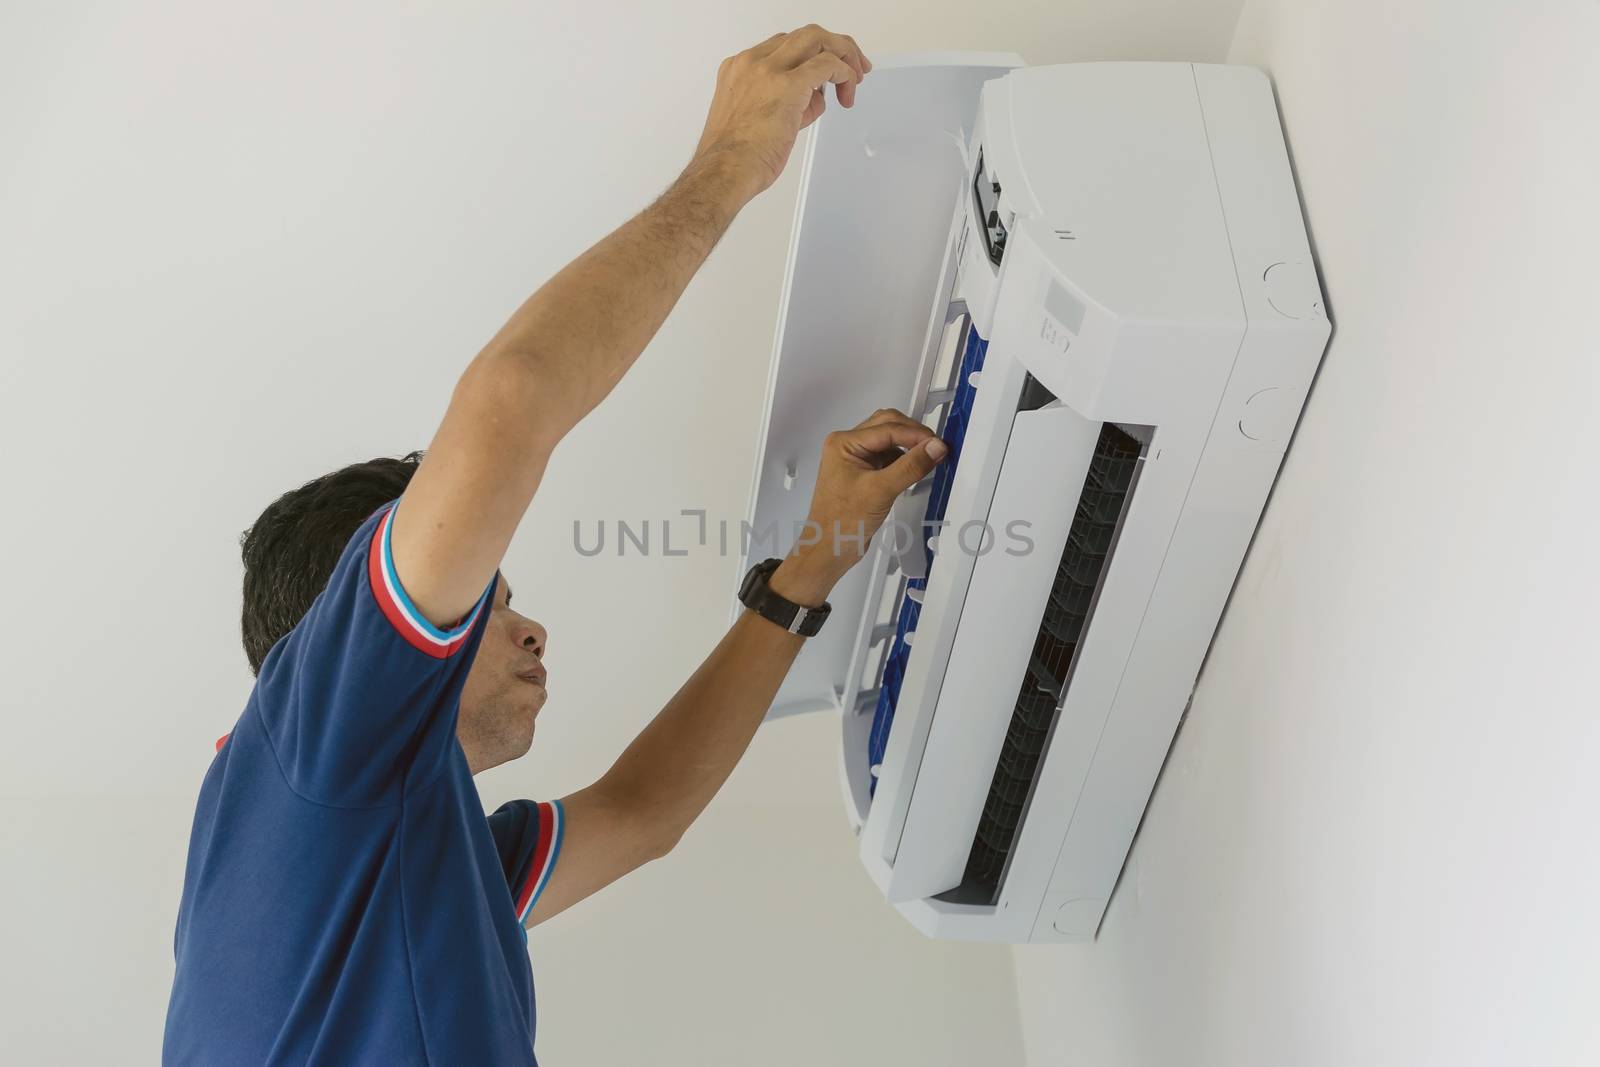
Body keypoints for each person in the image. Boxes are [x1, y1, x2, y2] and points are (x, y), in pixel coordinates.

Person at [163, 24, 949, 1066]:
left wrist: (815, 563)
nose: (527, 626)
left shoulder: (390, 855)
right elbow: (510, 402)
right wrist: (727, 166)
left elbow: (640, 809)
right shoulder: (315, 755)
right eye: (486, 599)